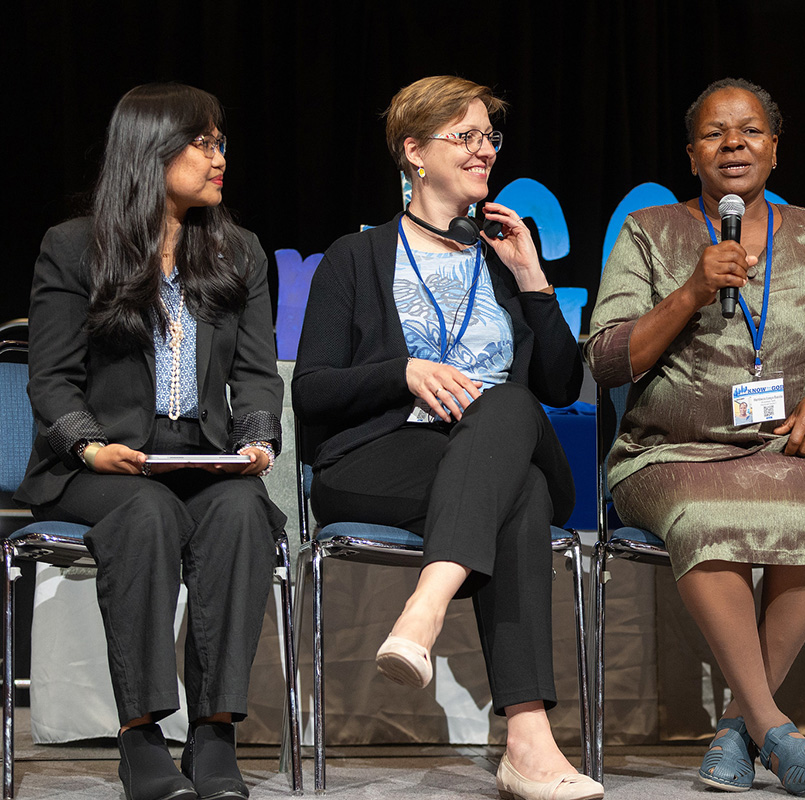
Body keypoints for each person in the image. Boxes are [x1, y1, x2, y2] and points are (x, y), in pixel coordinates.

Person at [291, 76, 601, 800]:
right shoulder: (357, 257)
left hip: (498, 441)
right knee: (516, 490)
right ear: (413, 152)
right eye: (464, 136)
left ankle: (426, 606)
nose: (483, 149)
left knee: (511, 405)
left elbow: (560, 386)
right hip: (381, 460)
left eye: (489, 136)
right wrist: (401, 372)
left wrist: (532, 277)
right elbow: (311, 390)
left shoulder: (501, 262)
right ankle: (527, 742)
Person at [586, 78, 805, 797]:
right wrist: (690, 290)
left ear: (774, 149)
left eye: (749, 131)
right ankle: (775, 731)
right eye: (715, 134)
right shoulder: (649, 231)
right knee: (706, 520)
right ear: (693, 156)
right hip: (668, 454)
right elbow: (606, 357)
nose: (733, 144)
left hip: (784, 451)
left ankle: (737, 729)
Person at [16, 83, 285, 800]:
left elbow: (258, 377)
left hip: (199, 453)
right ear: (149, 149)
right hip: (100, 464)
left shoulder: (241, 253)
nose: (219, 155)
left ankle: (214, 730)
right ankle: (140, 735)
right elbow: (52, 382)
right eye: (202, 142)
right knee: (146, 513)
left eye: (220, 141)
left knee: (240, 512)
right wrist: (90, 447)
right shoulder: (74, 249)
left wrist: (257, 443)